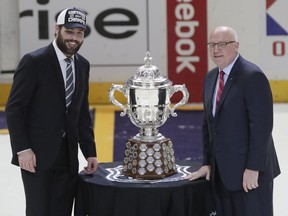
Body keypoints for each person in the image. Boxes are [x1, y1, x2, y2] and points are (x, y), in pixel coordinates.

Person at [5, 7, 98, 216]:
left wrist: (90, 152)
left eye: (79, 33)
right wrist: (23, 149)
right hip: (36, 156)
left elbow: (81, 112)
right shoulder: (34, 62)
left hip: (68, 156)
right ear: (56, 29)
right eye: (69, 32)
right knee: (39, 211)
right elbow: (14, 109)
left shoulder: (82, 65)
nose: (74, 38)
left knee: (63, 210)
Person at [185, 26, 280, 216]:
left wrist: (253, 167)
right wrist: (207, 162)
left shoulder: (252, 76)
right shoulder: (211, 78)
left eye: (222, 44)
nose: (216, 50)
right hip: (221, 173)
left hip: (250, 175)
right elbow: (209, 125)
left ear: (236, 46)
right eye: (212, 45)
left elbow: (262, 127)